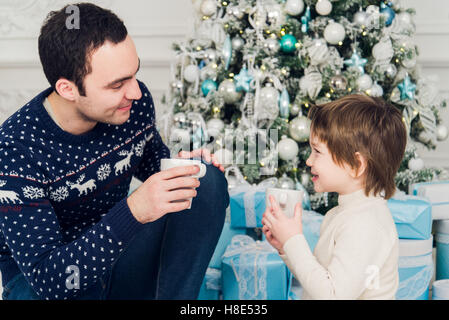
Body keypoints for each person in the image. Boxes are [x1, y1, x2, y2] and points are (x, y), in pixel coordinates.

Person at [0, 3, 229, 300]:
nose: (135, 92)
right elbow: (50, 280)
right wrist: (133, 211)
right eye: (117, 84)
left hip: (117, 259)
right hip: (49, 285)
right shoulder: (14, 149)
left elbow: (150, 163)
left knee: (204, 182)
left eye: (133, 75)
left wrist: (183, 168)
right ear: (68, 89)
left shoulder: (133, 104)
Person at [262, 94, 407, 299]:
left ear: (356, 165)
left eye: (317, 152)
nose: (309, 161)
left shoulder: (366, 224)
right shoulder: (344, 213)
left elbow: (332, 295)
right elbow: (320, 280)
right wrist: (286, 247)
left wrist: (293, 240)